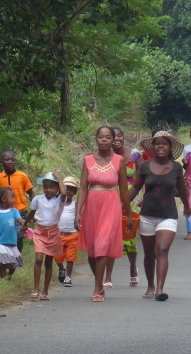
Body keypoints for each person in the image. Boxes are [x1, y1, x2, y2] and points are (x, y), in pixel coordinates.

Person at [128, 131, 191, 301]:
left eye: (164, 143)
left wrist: (187, 206)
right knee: (149, 254)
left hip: (168, 215)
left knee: (161, 250)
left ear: (170, 147)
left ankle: (160, 290)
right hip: (147, 215)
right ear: (153, 147)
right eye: (157, 143)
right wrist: (122, 203)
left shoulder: (176, 167)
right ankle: (150, 286)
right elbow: (135, 188)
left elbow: (182, 190)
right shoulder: (145, 166)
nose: (160, 146)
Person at [75, 126, 132, 302]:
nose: (104, 140)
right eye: (101, 137)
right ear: (96, 139)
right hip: (92, 206)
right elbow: (83, 188)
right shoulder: (88, 161)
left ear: (114, 140)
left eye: (108, 137)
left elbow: (123, 190)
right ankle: (99, 282)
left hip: (111, 205)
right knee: (92, 250)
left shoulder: (119, 160)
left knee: (101, 246)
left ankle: (96, 290)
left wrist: (128, 214)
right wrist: (78, 211)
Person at [25, 171, 66, 301]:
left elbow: (64, 193)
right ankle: (36, 289)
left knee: (49, 263)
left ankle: (45, 291)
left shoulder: (59, 200)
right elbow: (32, 212)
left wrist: (59, 178)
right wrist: (25, 224)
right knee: (38, 259)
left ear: (57, 188)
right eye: (46, 186)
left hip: (53, 233)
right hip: (39, 231)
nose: (48, 190)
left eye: (52, 187)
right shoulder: (38, 199)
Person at [0, 150, 34, 262]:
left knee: (19, 236)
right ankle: (7, 257)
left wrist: (34, 211)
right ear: (2, 162)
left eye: (12, 159)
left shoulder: (22, 176)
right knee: (7, 236)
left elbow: (31, 193)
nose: (10, 162)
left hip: (20, 211)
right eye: (7, 159)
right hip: (4, 212)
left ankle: (17, 257)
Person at [112, 127, 142, 288]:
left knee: (130, 238)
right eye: (113, 136)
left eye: (119, 135)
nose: (116, 138)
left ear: (124, 137)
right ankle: (107, 276)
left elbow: (143, 175)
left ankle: (132, 267)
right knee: (112, 237)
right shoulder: (107, 157)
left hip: (133, 202)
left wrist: (145, 196)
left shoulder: (135, 153)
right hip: (112, 200)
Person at [54, 176, 79, 287]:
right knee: (58, 258)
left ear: (74, 192)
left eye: (71, 189)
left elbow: (79, 217)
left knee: (70, 257)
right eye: (66, 188)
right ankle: (61, 268)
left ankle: (68, 277)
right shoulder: (57, 203)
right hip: (59, 235)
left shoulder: (75, 204)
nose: (68, 191)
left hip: (72, 235)